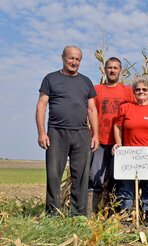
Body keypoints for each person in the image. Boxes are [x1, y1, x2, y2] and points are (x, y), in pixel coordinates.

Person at [36, 45, 99, 216]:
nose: (74, 62)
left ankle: (78, 215)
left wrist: (95, 135)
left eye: (77, 59)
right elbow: (41, 106)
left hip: (82, 134)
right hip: (57, 132)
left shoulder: (86, 82)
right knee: (54, 175)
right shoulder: (50, 79)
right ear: (63, 57)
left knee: (81, 176)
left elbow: (92, 109)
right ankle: (53, 214)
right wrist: (42, 133)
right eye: (71, 58)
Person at [113, 75, 148, 225]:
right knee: (126, 187)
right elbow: (117, 126)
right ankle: (126, 216)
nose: (141, 92)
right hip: (130, 156)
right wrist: (118, 144)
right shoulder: (126, 108)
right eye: (137, 89)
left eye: (144, 89)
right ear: (134, 92)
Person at [88, 57, 134, 214]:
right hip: (99, 141)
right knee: (94, 177)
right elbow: (89, 112)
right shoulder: (96, 90)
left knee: (120, 178)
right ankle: (90, 214)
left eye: (115, 68)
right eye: (109, 68)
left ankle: (118, 214)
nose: (112, 70)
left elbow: (135, 112)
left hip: (121, 143)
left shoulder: (127, 91)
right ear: (105, 70)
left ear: (120, 70)